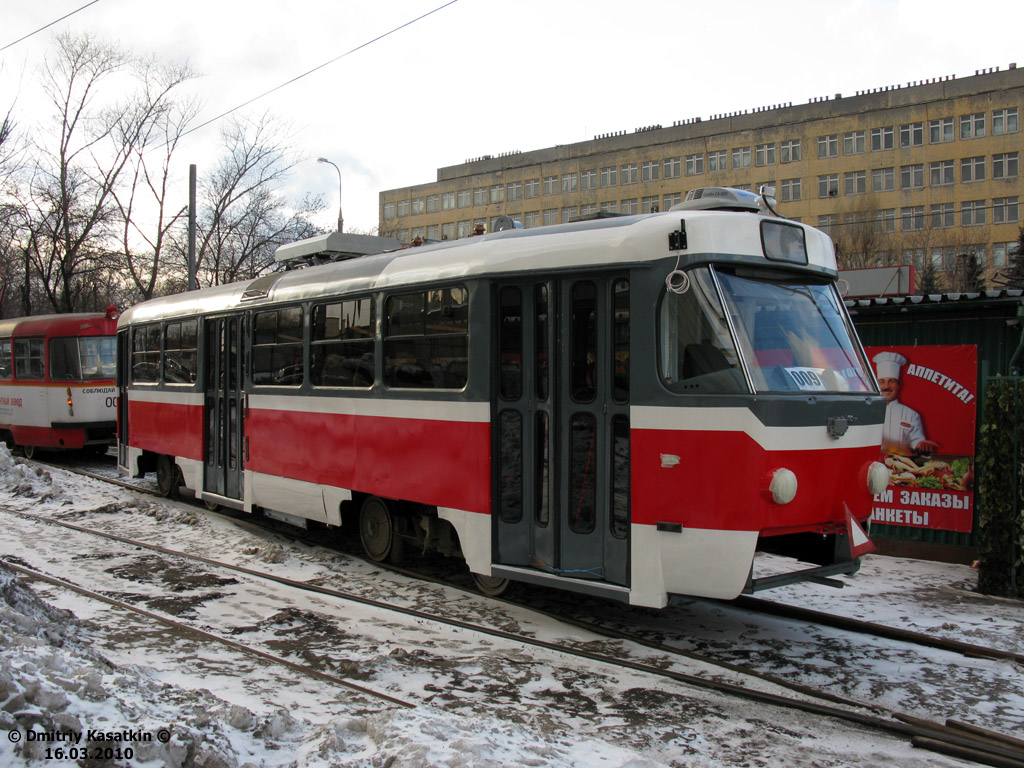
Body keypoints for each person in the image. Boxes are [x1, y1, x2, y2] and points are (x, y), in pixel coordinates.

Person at [873, 351, 940, 456]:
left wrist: (921, 445)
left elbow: (916, 441)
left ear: (899, 385)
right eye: (882, 382)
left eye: (892, 381)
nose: (886, 386)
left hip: (903, 467)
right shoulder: (867, 411)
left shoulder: (911, 415)